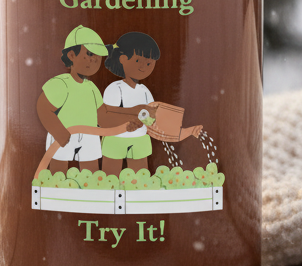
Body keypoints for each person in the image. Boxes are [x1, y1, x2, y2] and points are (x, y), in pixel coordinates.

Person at [36, 25, 147, 175]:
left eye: (98, 56)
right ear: (71, 55)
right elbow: (43, 107)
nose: (94, 60)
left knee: (91, 173)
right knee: (59, 172)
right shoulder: (61, 83)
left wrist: (127, 122)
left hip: (89, 136)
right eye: (89, 54)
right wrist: (58, 132)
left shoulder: (92, 88)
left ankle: (91, 194)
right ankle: (58, 193)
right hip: (64, 134)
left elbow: (104, 117)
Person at [100, 31, 202, 177]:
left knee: (140, 181)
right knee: (110, 179)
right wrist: (132, 116)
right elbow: (106, 117)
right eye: (138, 61)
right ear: (122, 59)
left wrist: (185, 131)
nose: (144, 66)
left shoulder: (144, 91)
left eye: (149, 63)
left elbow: (152, 120)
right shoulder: (115, 89)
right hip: (115, 139)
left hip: (140, 140)